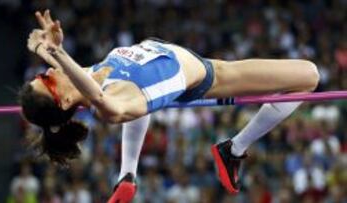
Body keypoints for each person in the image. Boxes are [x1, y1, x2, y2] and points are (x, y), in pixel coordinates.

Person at [19, 10, 319, 202]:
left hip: (175, 56)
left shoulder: (89, 74)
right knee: (308, 77)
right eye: (46, 82)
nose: (46, 73)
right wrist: (58, 55)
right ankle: (234, 149)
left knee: (140, 102)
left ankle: (127, 176)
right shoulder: (109, 101)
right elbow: (100, 99)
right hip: (214, 77)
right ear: (66, 101)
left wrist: (48, 48)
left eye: (40, 75)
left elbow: (47, 54)